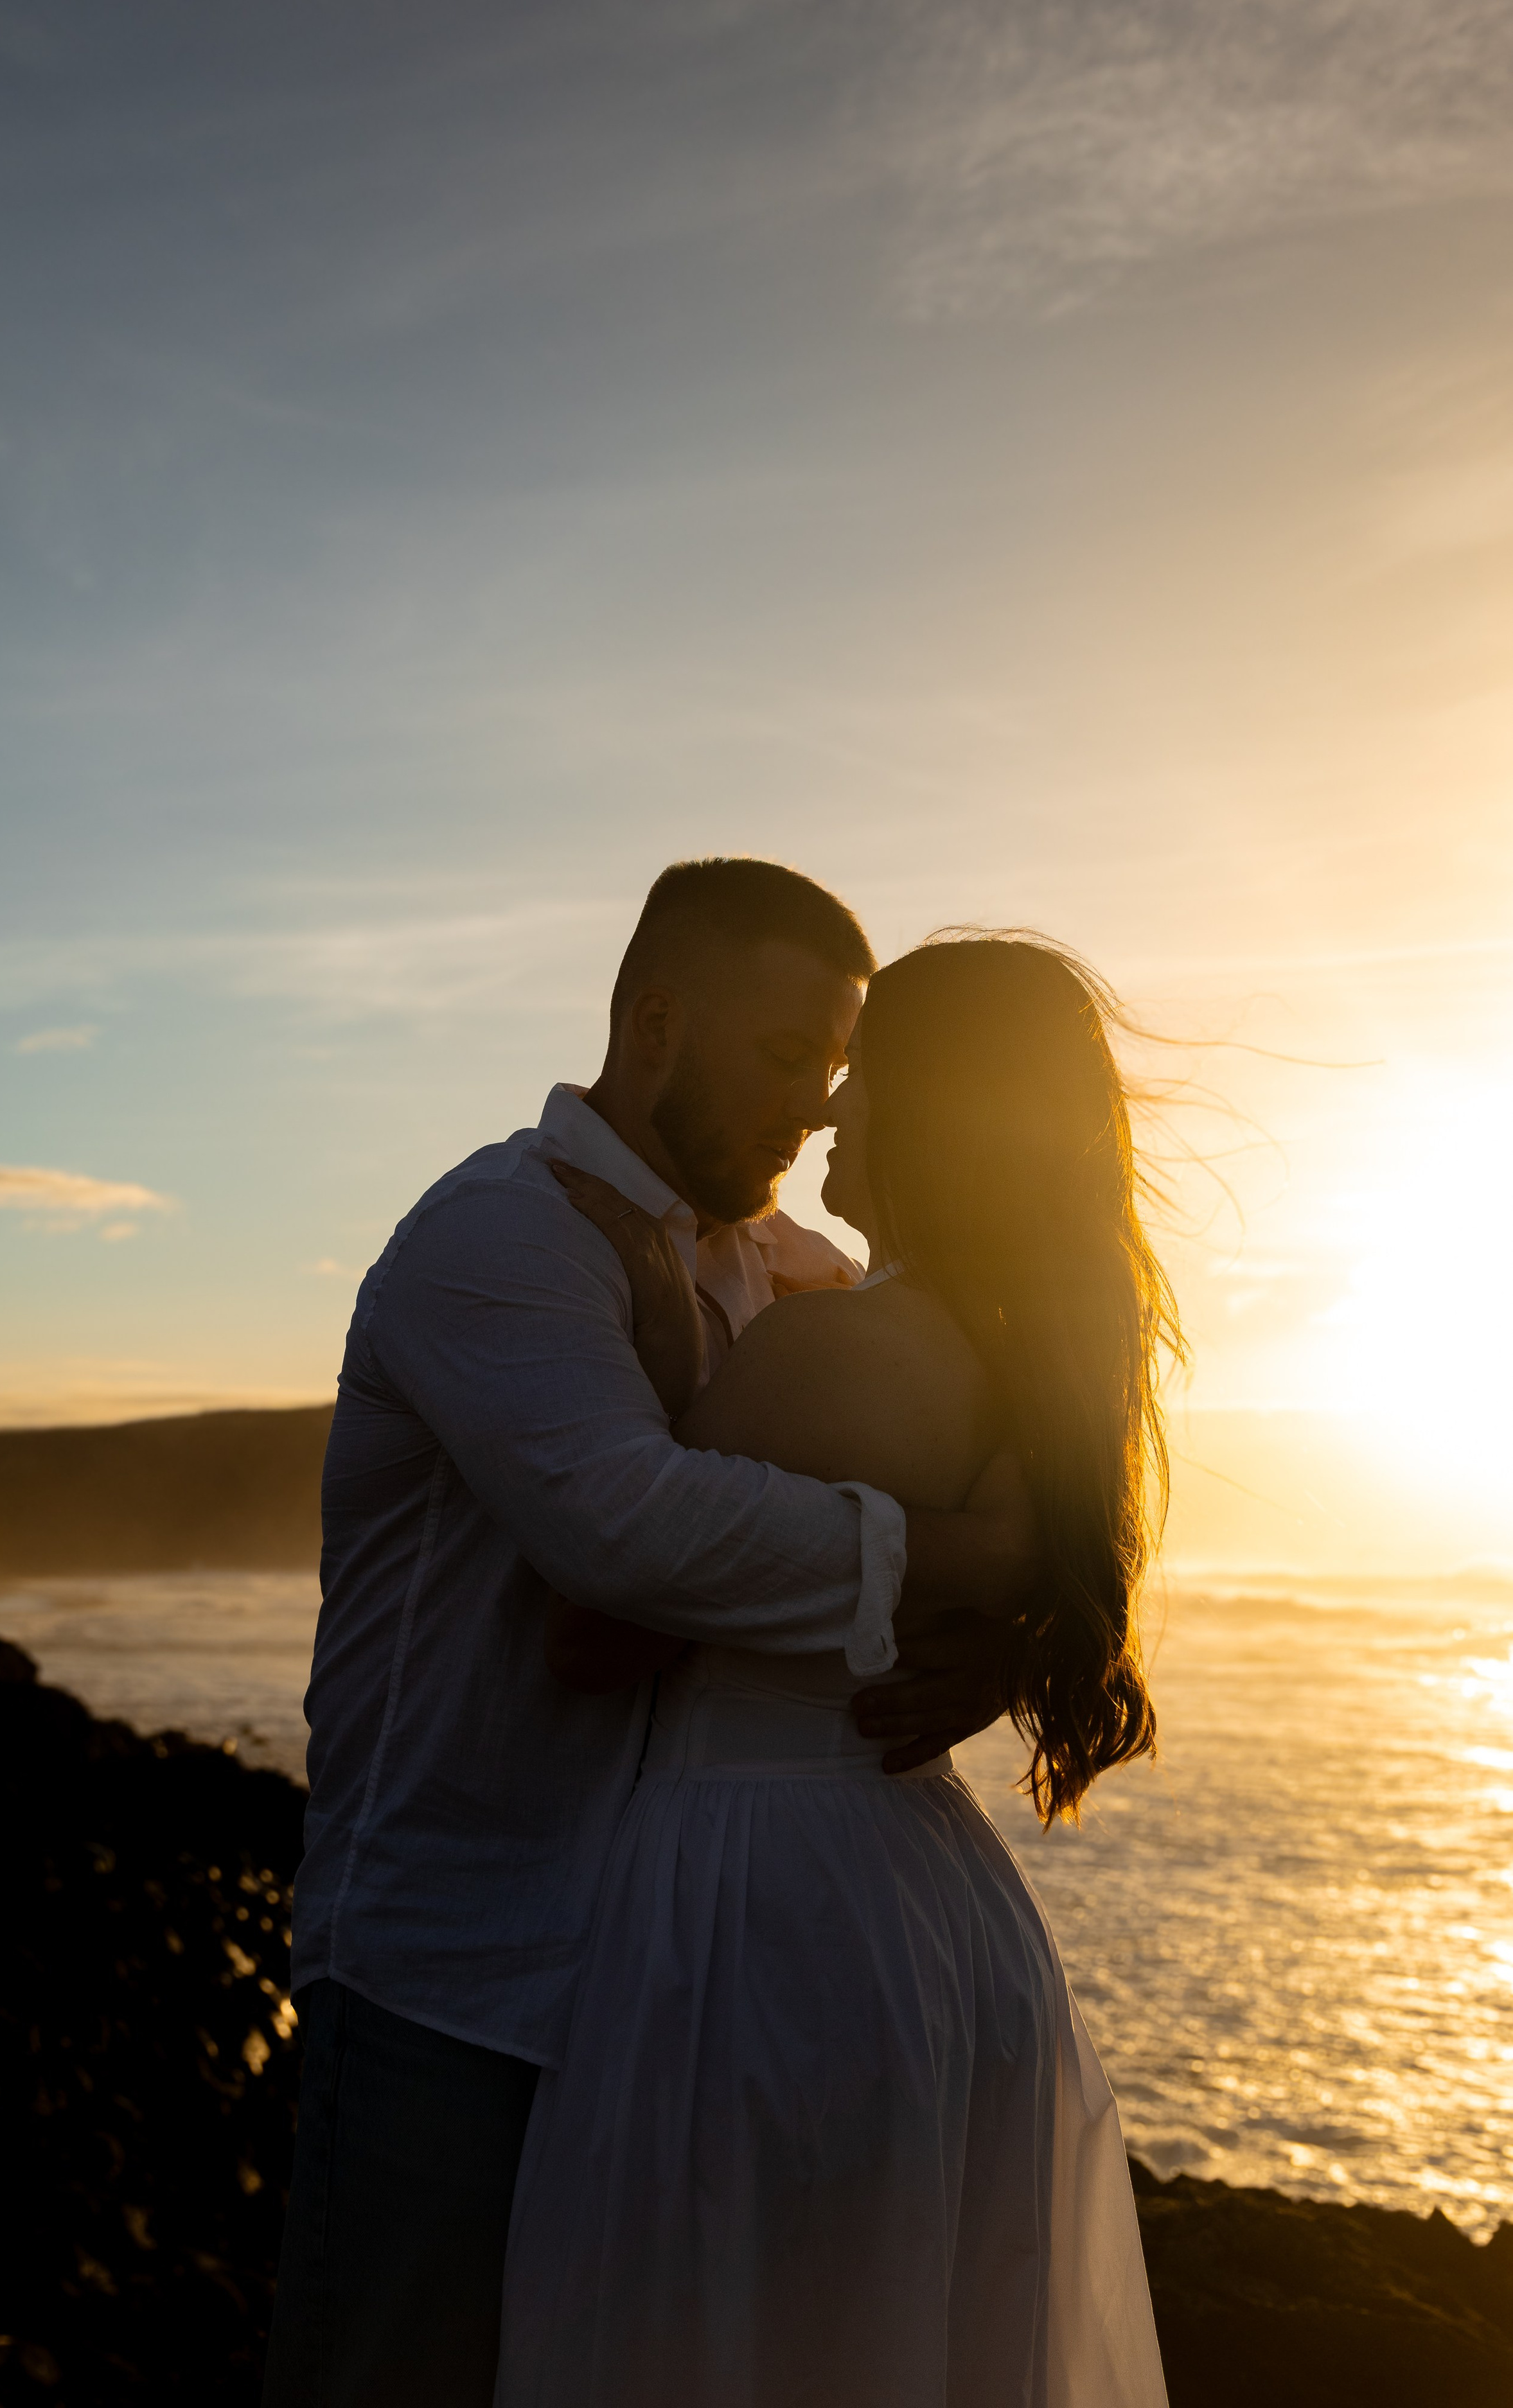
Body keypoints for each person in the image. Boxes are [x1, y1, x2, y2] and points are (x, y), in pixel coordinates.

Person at [261, 861, 1035, 2408]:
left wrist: (1023, 1628)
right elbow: (622, 1531)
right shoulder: (496, 1238)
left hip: (658, 1985)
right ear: (656, 1021)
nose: (814, 1114)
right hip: (451, 1976)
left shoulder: (776, 1271)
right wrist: (962, 1558)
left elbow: (981, 1386)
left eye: (833, 1073)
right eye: (779, 1059)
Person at [493, 931, 1178, 2408]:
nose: (824, 1114)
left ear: (927, 1116)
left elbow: (596, 1636)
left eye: (856, 1079)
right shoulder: (1024, 1371)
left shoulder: (830, 1361)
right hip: (935, 1914)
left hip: (763, 1913)